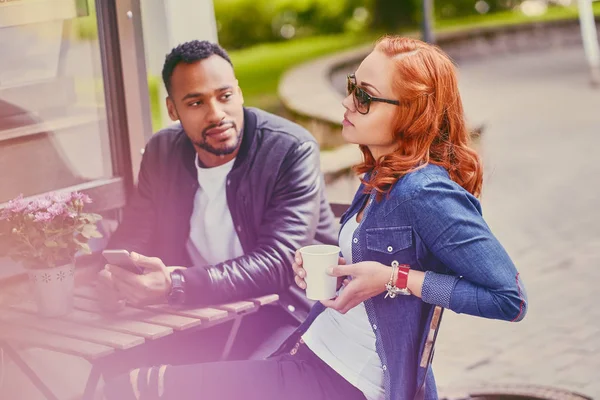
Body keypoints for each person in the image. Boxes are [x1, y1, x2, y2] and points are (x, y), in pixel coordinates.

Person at [103, 35, 527, 400]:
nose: (346, 102)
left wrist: (394, 278)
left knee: (134, 387)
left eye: (364, 96)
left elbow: (509, 299)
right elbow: (372, 274)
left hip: (342, 380)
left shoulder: (425, 192)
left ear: (409, 114)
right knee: (130, 380)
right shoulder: (381, 174)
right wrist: (333, 271)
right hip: (309, 351)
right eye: (351, 87)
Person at [97, 40, 337, 363]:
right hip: (202, 316)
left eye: (224, 96)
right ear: (173, 110)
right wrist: (115, 279)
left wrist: (177, 284)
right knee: (120, 368)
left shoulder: (290, 150)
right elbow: (133, 237)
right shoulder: (161, 153)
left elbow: (280, 262)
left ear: (238, 92)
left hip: (289, 314)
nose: (217, 114)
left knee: (236, 385)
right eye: (195, 103)